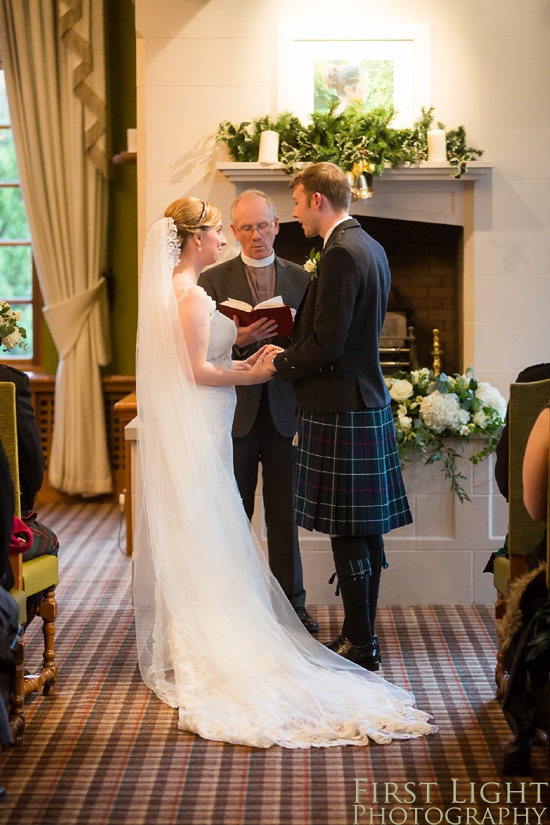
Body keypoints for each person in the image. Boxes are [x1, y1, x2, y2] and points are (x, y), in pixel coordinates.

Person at [133, 195, 435, 748]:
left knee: (213, 529)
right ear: (195, 239)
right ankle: (214, 637)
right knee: (216, 526)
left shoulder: (184, 292)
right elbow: (196, 370)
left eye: (252, 225)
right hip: (216, 418)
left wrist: (248, 352)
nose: (228, 237)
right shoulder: (193, 294)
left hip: (226, 419)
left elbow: (204, 359)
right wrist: (254, 373)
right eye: (222, 230)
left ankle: (209, 631)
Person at [261, 162, 413, 672]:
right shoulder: (370, 246)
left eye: (299, 202)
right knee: (364, 530)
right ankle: (358, 636)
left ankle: (361, 645)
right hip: (361, 401)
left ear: (319, 201)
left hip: (340, 404)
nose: (295, 213)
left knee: (350, 531)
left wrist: (278, 363)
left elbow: (328, 342)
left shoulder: (342, 253)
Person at [198, 190, 316, 632]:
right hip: (235, 411)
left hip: (286, 409)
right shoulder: (212, 280)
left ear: (277, 226)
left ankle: (293, 605)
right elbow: (203, 348)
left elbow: (313, 342)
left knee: (284, 514)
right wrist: (240, 340)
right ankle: (233, 606)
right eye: (245, 227)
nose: (255, 235)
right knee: (234, 511)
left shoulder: (301, 278)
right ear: (233, 232)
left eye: (262, 225)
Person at [0, 365, 58, 564]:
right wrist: (21, 510)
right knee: (49, 540)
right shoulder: (9, 381)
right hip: (5, 528)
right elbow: (31, 466)